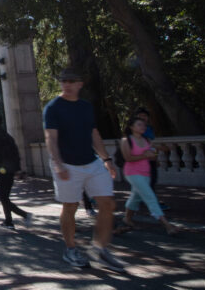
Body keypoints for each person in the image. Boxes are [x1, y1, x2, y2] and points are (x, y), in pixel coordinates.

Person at [43, 68, 126, 272]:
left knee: (107, 203)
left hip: (91, 162)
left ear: (80, 83)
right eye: (64, 81)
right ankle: (70, 248)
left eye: (71, 80)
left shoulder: (86, 107)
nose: (67, 84)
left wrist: (106, 159)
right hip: (66, 164)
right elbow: (51, 138)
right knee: (70, 206)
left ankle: (100, 248)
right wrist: (58, 162)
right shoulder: (53, 107)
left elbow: (94, 134)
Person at [120, 116, 178, 235]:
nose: (143, 127)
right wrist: (146, 155)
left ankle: (127, 218)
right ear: (131, 127)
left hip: (145, 173)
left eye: (144, 125)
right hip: (132, 173)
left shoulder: (147, 140)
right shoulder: (126, 141)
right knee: (150, 196)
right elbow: (128, 158)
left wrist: (154, 153)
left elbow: (153, 154)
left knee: (136, 197)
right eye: (139, 124)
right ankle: (167, 225)